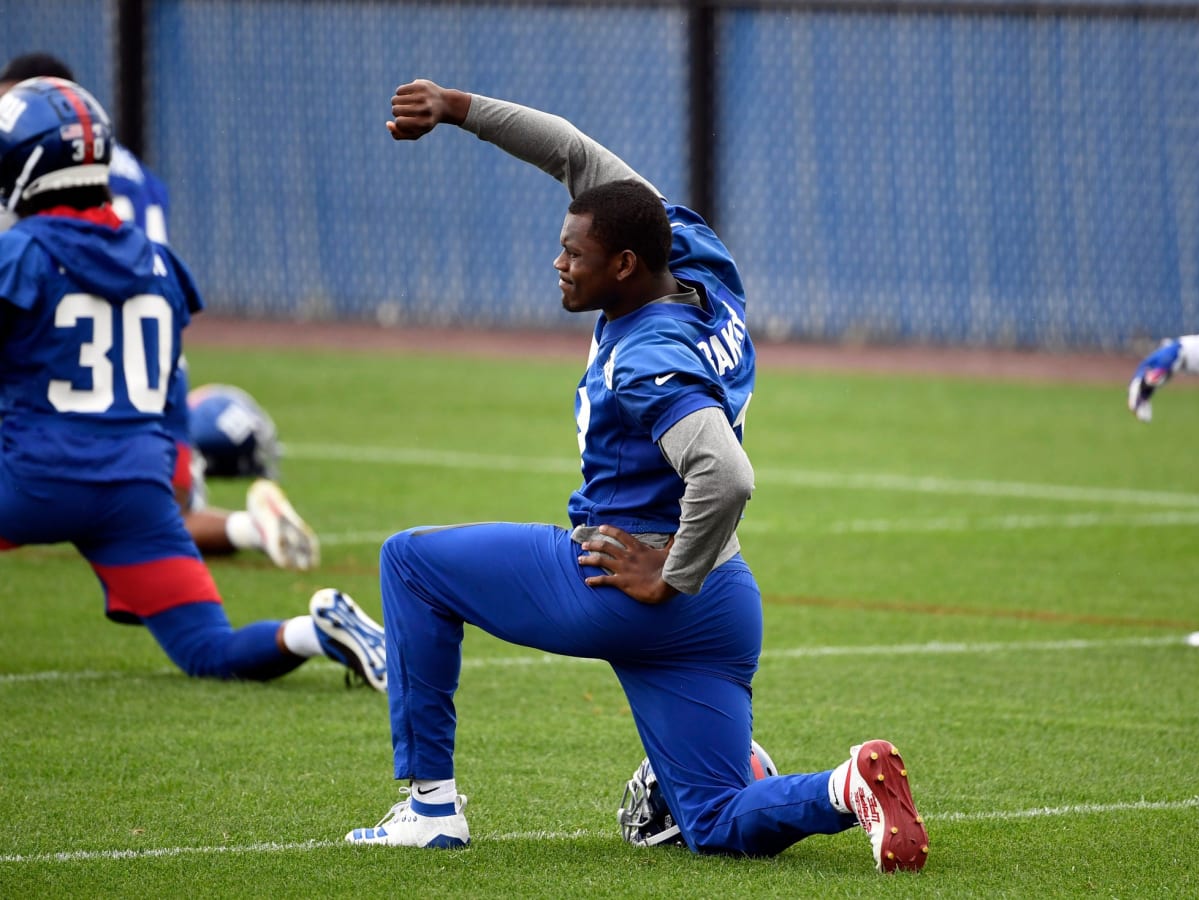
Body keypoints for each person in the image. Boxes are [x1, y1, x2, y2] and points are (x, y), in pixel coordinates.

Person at [343, 79, 929, 873]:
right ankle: (843, 786)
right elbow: (573, 151)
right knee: (716, 819)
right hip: (722, 601)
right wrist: (457, 107)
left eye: (572, 255)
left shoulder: (646, 353)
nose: (558, 264)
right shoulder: (693, 257)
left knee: (410, 563)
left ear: (623, 265)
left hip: (622, 583)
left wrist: (666, 575)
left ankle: (430, 809)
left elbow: (726, 473)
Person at [0, 76, 384, 690]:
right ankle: (315, 631)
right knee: (210, 648)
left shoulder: (20, 253)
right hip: (133, 490)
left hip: (30, 477)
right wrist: (176, 475)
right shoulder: (159, 263)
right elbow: (169, 387)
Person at [0, 51, 320, 572]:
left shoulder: (45, 173)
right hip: (150, 349)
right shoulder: (133, 170)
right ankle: (248, 526)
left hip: (72, 345)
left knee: (93, 494)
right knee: (154, 514)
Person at [1127, 335, 1199, 422]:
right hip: (1179, 351)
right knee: (1157, 377)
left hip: (1179, 353)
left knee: (1158, 378)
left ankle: (1141, 395)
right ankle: (1139, 391)